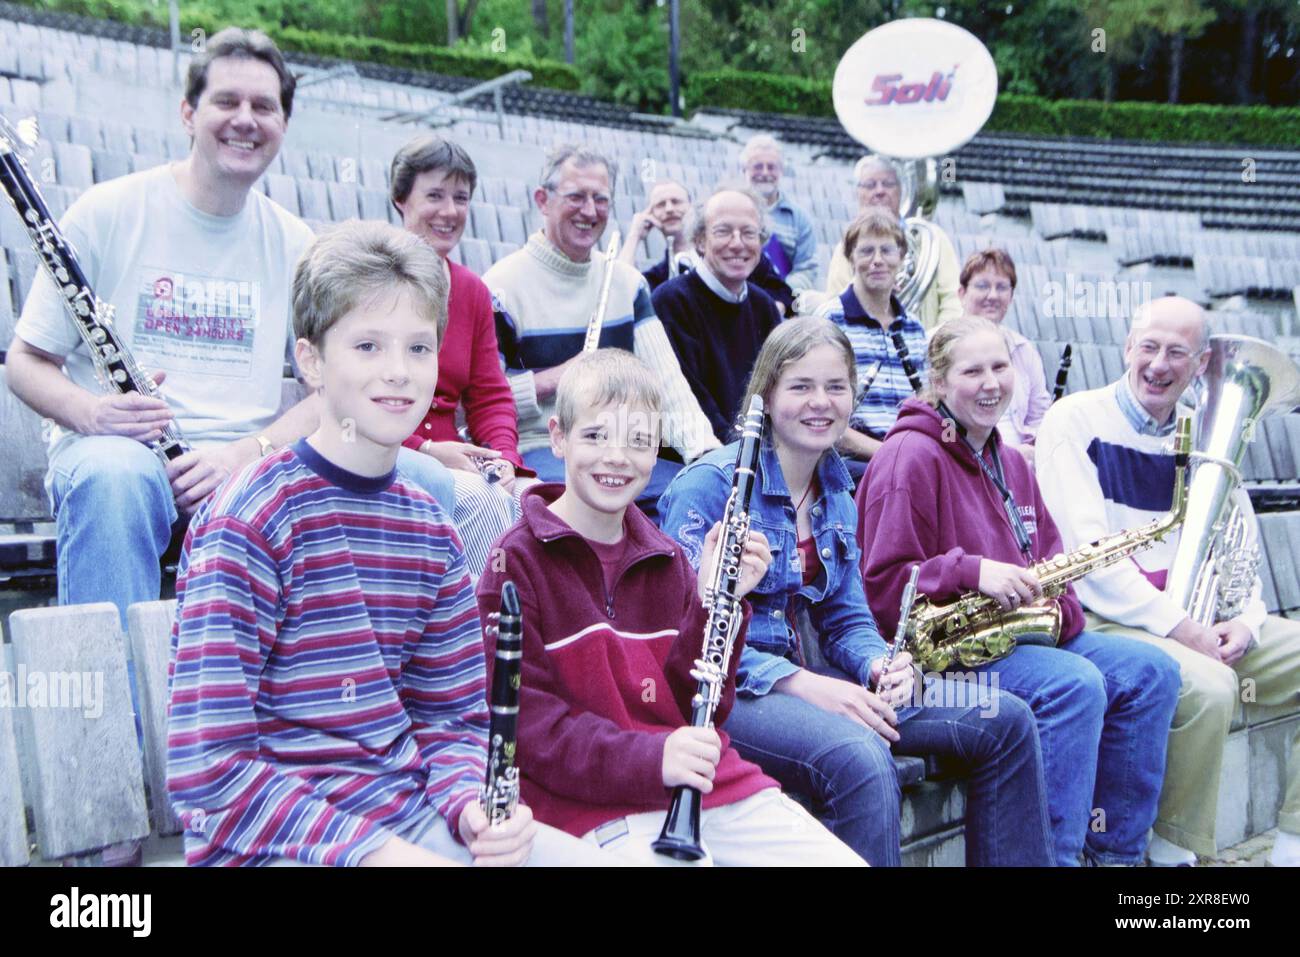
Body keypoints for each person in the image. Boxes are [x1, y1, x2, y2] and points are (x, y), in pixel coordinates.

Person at [166, 221, 608, 867]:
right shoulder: (250, 520)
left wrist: (472, 804)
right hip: (277, 840)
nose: (398, 373)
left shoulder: (427, 523)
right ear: (311, 360)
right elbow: (210, 769)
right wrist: (375, 853)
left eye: (419, 348)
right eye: (368, 345)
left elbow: (451, 717)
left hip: (412, 815)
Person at [6, 27, 453, 628]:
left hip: (251, 457)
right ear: (189, 112)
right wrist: (93, 414)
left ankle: (374, 699)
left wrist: (244, 455)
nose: (246, 120)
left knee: (424, 475)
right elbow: (25, 365)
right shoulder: (107, 211)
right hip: (126, 451)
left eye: (264, 107)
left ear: (283, 126)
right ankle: (113, 711)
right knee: (113, 478)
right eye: (227, 102)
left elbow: (331, 388)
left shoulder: (298, 244)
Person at [659, 318, 1053, 867]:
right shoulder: (710, 486)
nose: (821, 402)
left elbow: (847, 619)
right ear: (766, 396)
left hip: (819, 682)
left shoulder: (839, 485)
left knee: (1003, 718)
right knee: (861, 756)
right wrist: (810, 688)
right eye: (801, 386)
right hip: (734, 693)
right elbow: (686, 635)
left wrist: (878, 666)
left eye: (835, 387)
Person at [477, 348, 864, 866]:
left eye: (639, 441)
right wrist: (655, 757)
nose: (618, 457)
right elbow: (532, 733)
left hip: (704, 784)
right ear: (557, 438)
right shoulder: (515, 563)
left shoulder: (666, 556)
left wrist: (715, 601)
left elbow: (701, 705)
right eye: (596, 436)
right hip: (587, 802)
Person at [857, 315, 1182, 866]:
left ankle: (1114, 856)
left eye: (1000, 367)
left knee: (1153, 673)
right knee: (1074, 685)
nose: (991, 383)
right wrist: (968, 570)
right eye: (972, 371)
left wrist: (1061, 610)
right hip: (938, 659)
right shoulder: (906, 456)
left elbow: (1052, 559)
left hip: (1017, 640)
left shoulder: (1009, 460)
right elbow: (884, 589)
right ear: (939, 383)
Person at [1035, 296, 1300, 868]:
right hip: (1112, 620)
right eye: (1149, 347)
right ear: (1129, 347)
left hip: (1193, 623)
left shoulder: (1204, 431)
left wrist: (1247, 623)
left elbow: (1240, 550)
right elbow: (1091, 562)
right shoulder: (1075, 420)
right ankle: (1173, 851)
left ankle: (1292, 844)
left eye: (1177, 352)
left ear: (1200, 364)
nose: (1159, 364)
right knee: (1210, 688)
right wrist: (1182, 628)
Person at [484, 144, 719, 512]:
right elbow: (479, 406)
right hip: (542, 447)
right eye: (576, 197)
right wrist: (553, 380)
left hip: (624, 444)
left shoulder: (628, 285)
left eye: (601, 200)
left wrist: (707, 457)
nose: (590, 212)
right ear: (543, 200)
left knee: (692, 496)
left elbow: (669, 388)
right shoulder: (500, 287)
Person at [389, 133, 528, 578]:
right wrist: (427, 449)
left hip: (460, 456)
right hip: (387, 450)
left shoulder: (470, 289)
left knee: (544, 504)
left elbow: (490, 395)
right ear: (400, 200)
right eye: (434, 195)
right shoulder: (371, 279)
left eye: (461, 198)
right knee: (482, 503)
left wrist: (504, 455)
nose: (449, 212)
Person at [652, 186, 782, 443]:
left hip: (760, 450)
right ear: (700, 240)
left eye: (748, 233)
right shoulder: (671, 302)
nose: (737, 244)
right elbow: (688, 400)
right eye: (723, 231)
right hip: (701, 454)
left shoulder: (764, 306)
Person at [813, 210, 926, 479]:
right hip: (852, 462)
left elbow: (926, 406)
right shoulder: (830, 320)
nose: (877, 261)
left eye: (886, 250)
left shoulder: (914, 328)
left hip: (906, 453)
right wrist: (889, 452)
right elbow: (823, 416)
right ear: (851, 258)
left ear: (901, 257)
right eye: (866, 251)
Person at [822, 155, 961, 331]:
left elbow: (953, 300)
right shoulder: (845, 247)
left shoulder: (933, 239)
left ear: (901, 190)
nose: (879, 191)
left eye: (888, 184)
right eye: (870, 185)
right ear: (858, 192)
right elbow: (836, 298)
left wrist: (936, 344)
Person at [623, 178, 794, 313]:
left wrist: (767, 310)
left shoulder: (743, 255)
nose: (669, 209)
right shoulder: (660, 276)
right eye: (660, 205)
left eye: (676, 202)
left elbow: (784, 294)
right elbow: (622, 291)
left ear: (691, 207)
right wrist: (634, 235)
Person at [957, 248, 1051, 466]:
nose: (992, 295)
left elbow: (1040, 417)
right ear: (961, 293)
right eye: (982, 286)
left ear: (1011, 296)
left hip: (1021, 466)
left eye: (1001, 287)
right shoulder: (935, 343)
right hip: (962, 463)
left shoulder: (1024, 350)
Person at [740, 134, 818, 296]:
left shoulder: (798, 218)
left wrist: (780, 296)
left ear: (781, 171)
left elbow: (807, 268)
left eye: (771, 167)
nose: (765, 172)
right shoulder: (729, 210)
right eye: (757, 166)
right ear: (744, 170)